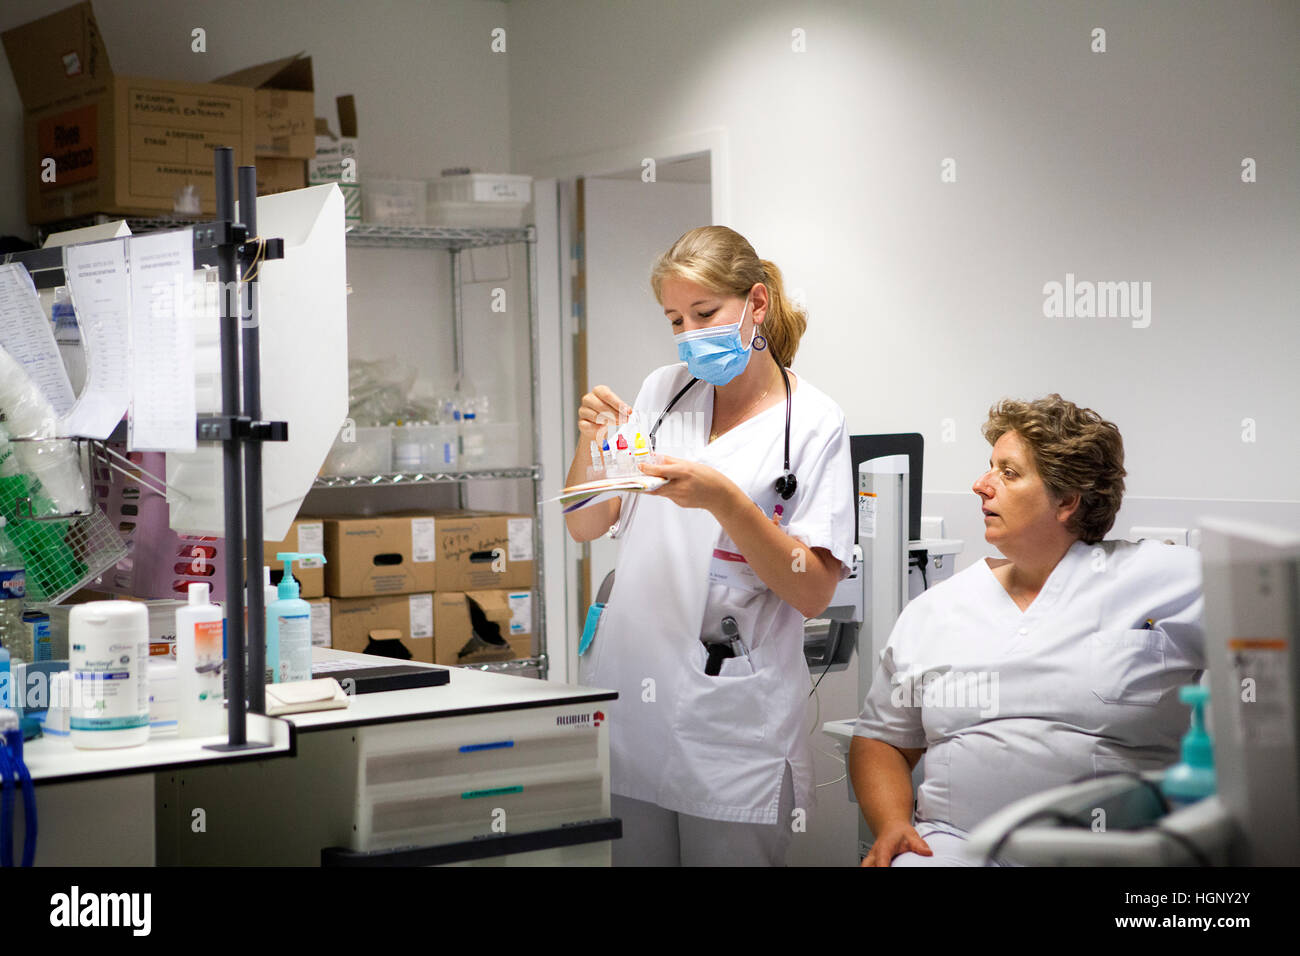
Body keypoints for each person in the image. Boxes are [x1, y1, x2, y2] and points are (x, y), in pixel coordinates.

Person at [566, 225, 855, 866]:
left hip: (731, 723)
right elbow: (586, 525)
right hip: (635, 701)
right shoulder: (662, 393)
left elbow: (811, 590)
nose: (690, 334)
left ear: (757, 304)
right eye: (675, 319)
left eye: (705, 313)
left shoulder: (813, 424)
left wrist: (723, 498)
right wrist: (590, 444)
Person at [850, 394, 1205, 866]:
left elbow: (1270, 619)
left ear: (1067, 501)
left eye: (1008, 472)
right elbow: (882, 738)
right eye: (988, 467)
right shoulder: (938, 610)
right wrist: (894, 824)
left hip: (1115, 850)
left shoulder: (1162, 578)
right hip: (956, 846)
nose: (980, 485)